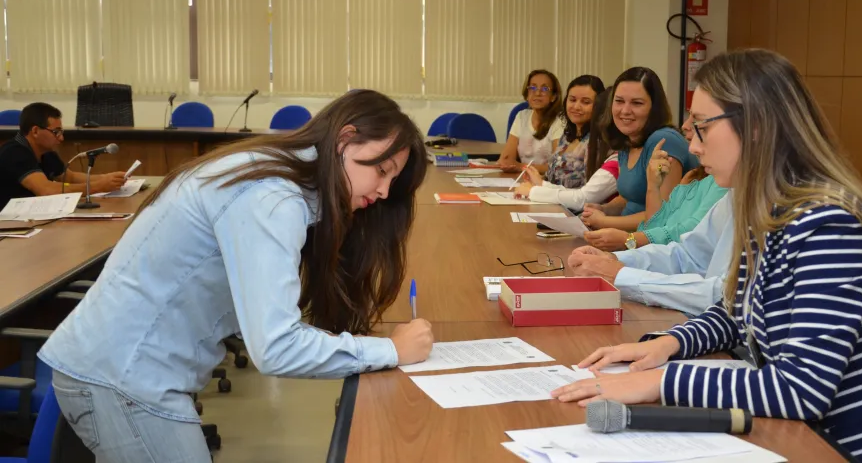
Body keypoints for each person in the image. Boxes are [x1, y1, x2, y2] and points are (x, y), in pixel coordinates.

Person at [551, 50, 862, 462]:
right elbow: (736, 309)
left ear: (754, 127)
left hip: (851, 448)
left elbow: (801, 388)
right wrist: (669, 343)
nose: (692, 145)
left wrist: (663, 382)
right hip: (801, 434)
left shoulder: (830, 227)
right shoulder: (767, 208)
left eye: (700, 128)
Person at [39, 90, 436, 462]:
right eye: (382, 170)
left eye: (392, 180)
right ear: (345, 140)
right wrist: (391, 351)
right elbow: (276, 347)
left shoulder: (280, 176)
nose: (384, 191)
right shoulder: (272, 196)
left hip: (124, 371)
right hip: (123, 379)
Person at [568, 192, 730, 316]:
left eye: (703, 144)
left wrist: (622, 274)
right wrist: (615, 259)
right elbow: (687, 256)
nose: (693, 148)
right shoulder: (733, 197)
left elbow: (725, 297)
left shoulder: (733, 193)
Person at [583, 113, 727, 251]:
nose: (685, 125)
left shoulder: (723, 181)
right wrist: (653, 185)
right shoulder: (693, 176)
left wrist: (628, 240)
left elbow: (690, 232)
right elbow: (654, 227)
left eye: (697, 121)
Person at [579, 67, 697, 231]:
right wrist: (604, 210)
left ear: (654, 107)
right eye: (619, 101)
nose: (625, 110)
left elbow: (663, 216)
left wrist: (604, 222)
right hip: (627, 239)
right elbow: (631, 198)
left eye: (637, 103)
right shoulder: (628, 139)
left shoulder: (664, 141)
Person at [0, 102, 126, 208]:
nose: (61, 138)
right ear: (35, 131)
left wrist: (108, 178)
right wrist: (98, 186)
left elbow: (69, 177)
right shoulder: (14, 152)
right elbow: (47, 190)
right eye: (56, 132)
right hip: (9, 224)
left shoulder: (45, 152)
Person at [513, 87, 620, 211]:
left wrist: (534, 191)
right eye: (572, 100)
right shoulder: (569, 135)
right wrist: (541, 184)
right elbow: (578, 193)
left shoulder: (616, 159)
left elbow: (582, 198)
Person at [497, 69, 564, 174]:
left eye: (545, 88)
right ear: (527, 94)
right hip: (522, 179)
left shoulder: (560, 121)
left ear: (553, 97)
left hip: (548, 183)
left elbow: (558, 167)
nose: (537, 93)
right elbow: (506, 159)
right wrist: (507, 164)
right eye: (532, 87)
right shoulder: (521, 116)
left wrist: (521, 167)